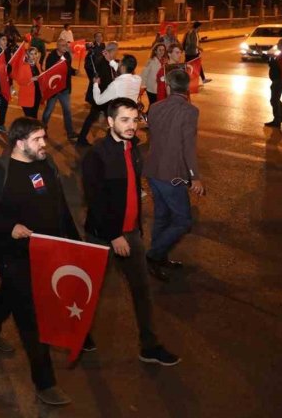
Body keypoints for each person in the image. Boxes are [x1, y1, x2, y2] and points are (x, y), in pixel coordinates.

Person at [0, 117, 83, 406]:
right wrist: (8, 227)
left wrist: (73, 242)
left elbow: (59, 206)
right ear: (20, 143)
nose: (44, 144)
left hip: (43, 248)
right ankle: (45, 383)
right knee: (29, 310)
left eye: (43, 138)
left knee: (11, 292)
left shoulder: (45, 165)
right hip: (10, 249)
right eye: (38, 139)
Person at [82, 98, 180, 366]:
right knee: (90, 291)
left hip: (131, 234)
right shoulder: (96, 155)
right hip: (104, 236)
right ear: (110, 122)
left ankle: (149, 346)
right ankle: (78, 334)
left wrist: (134, 224)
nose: (131, 126)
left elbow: (131, 184)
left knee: (142, 291)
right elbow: (95, 200)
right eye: (124, 120)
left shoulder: (133, 148)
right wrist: (114, 235)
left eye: (134, 120)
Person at [144, 69, 205, 281]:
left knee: (162, 215)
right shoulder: (190, 111)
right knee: (183, 221)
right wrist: (194, 176)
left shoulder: (155, 107)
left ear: (168, 86)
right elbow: (188, 147)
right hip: (172, 175)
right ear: (187, 87)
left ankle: (158, 254)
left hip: (153, 170)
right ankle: (153, 255)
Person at [76, 41, 118, 147]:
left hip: (103, 97)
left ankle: (82, 138)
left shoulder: (109, 62)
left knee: (99, 117)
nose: (117, 53)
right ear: (111, 51)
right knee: (107, 117)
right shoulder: (102, 63)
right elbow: (103, 82)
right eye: (116, 51)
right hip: (102, 97)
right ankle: (115, 139)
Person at [41, 38, 77, 141]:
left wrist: (74, 71)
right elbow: (49, 71)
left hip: (64, 89)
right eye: (62, 45)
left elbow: (68, 69)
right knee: (48, 111)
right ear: (57, 46)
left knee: (67, 111)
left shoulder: (66, 55)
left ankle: (70, 132)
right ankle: (42, 129)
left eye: (66, 45)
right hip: (54, 90)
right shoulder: (51, 57)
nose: (65, 47)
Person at [14, 47, 42, 118]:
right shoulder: (23, 66)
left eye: (35, 54)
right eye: (31, 54)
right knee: (29, 117)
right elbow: (19, 81)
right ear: (27, 55)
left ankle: (33, 129)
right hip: (27, 96)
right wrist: (31, 79)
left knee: (34, 116)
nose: (33, 56)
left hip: (37, 95)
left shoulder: (38, 65)